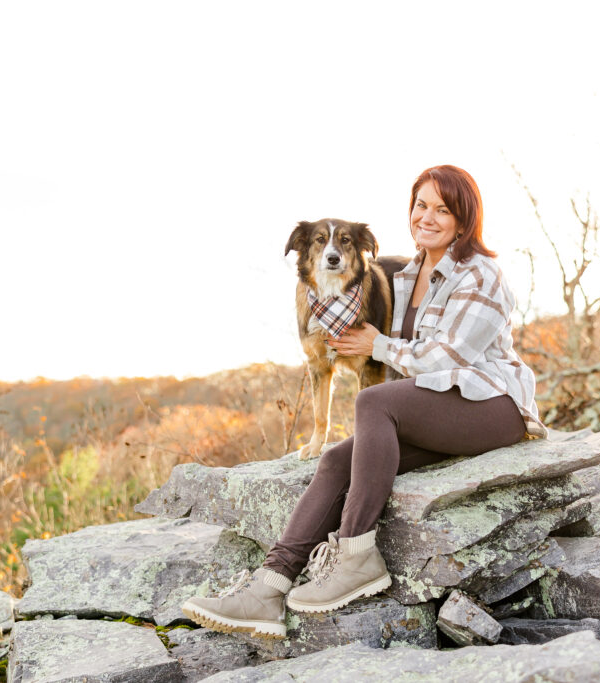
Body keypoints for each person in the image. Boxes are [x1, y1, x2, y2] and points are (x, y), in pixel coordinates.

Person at [181, 164, 547, 638]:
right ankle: (266, 591)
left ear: (465, 218)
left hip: (494, 407)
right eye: (421, 205)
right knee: (337, 459)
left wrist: (376, 345)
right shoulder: (407, 274)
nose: (428, 217)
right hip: (441, 411)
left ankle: (357, 555)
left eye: (444, 209)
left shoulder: (481, 274)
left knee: (373, 403)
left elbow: (446, 358)